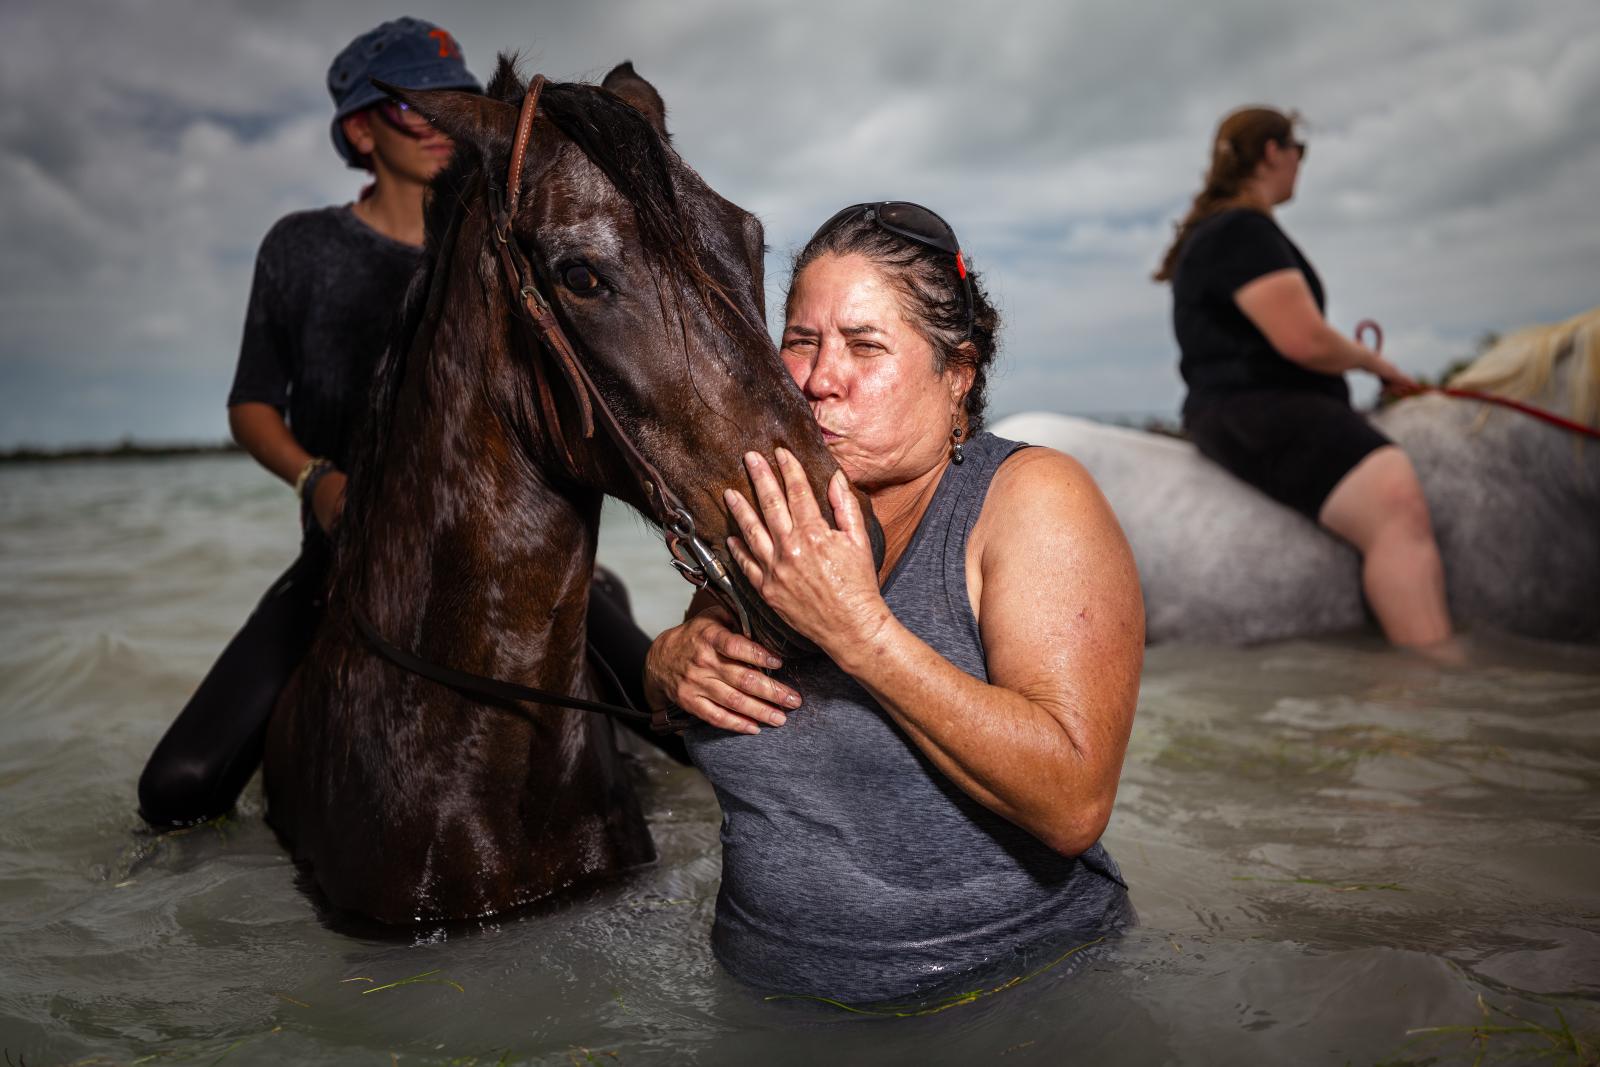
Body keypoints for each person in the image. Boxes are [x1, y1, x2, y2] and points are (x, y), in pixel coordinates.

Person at [643, 203, 1144, 1002]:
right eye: (800, 341)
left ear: (958, 375)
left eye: (864, 344)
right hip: (761, 1013)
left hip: (1012, 1003)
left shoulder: (1030, 499)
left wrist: (861, 633)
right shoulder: (780, 505)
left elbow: (1074, 799)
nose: (816, 378)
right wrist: (664, 664)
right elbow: (704, 694)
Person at [137, 19, 483, 827]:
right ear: (361, 128)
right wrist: (316, 479)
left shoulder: (493, 243)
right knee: (177, 789)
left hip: (490, 565)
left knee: (676, 726)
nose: (442, 125)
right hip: (341, 563)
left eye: (455, 104)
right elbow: (250, 404)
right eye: (413, 106)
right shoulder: (299, 249)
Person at [1154, 106, 1453, 649]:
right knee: (1396, 502)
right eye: (1300, 151)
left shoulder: (1217, 232)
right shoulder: (1244, 230)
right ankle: (1435, 670)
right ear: (1273, 151)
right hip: (1260, 407)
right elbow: (1305, 340)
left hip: (1230, 408)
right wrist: (1375, 363)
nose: (1300, 164)